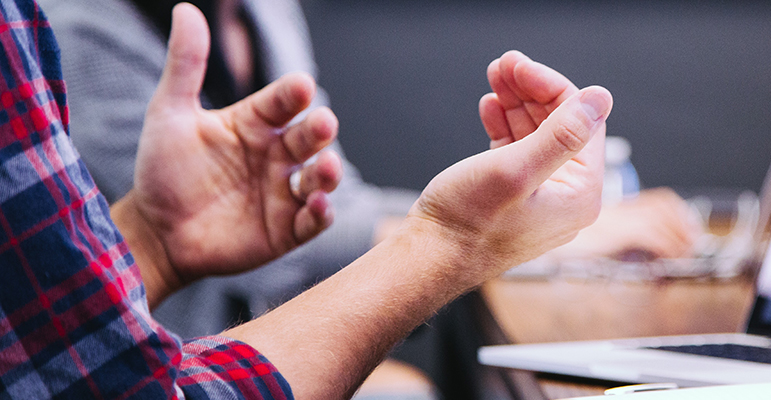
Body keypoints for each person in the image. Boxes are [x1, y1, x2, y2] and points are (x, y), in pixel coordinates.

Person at [1, 1, 613, 398]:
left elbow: (330, 197)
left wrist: (154, 241)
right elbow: (123, 390)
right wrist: (453, 241)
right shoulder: (66, 27)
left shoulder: (267, 13)